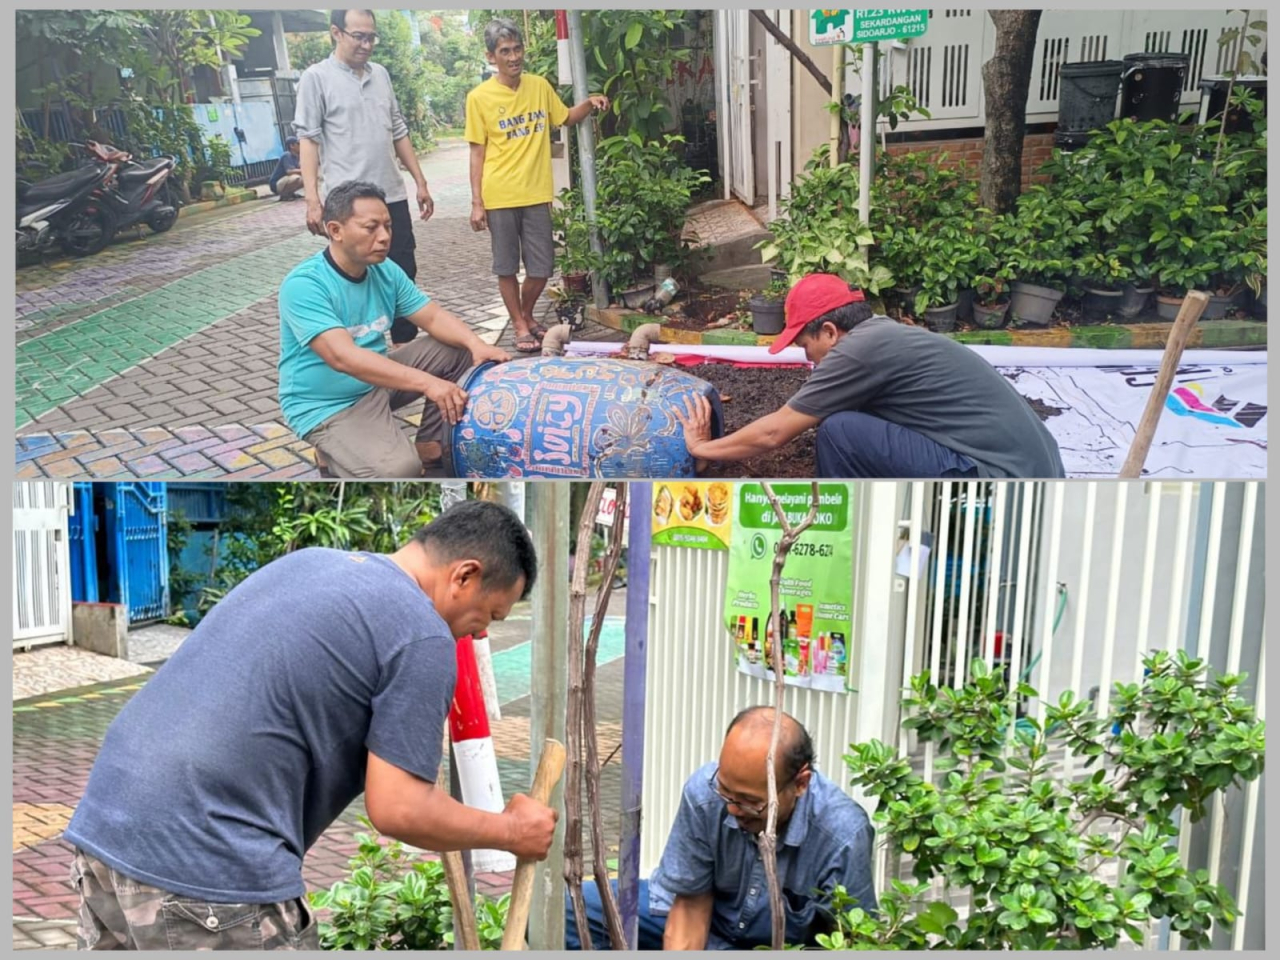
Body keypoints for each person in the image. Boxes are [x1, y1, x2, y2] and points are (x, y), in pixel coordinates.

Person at [64, 500, 557, 950]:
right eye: (490, 612)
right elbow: (400, 809)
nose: (485, 630)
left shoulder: (312, 562)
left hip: (105, 833)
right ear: (464, 575)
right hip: (206, 862)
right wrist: (509, 831)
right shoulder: (420, 633)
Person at [675, 273, 1067, 479]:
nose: (809, 360)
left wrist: (702, 448)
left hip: (1001, 481)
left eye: (804, 346)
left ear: (829, 331)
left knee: (840, 430)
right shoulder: (882, 333)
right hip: (1034, 466)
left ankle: (837, 530)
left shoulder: (858, 350)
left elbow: (773, 433)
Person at [565, 707, 876, 950]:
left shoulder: (843, 835)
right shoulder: (704, 793)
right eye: (726, 792)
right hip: (709, 923)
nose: (731, 809)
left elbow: (850, 939)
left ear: (800, 783)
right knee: (570, 909)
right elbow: (690, 902)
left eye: (750, 802)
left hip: (778, 946)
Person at [276, 180, 511, 479]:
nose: (384, 237)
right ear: (335, 230)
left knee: (459, 349)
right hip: (326, 405)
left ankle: (430, 441)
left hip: (375, 380)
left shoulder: (384, 269)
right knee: (402, 469)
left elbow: (433, 318)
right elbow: (342, 358)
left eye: (387, 225)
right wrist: (428, 383)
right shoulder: (305, 285)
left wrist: (477, 344)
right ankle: (331, 451)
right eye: (371, 227)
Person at [465, 18, 609, 353]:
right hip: (499, 194)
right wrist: (476, 201)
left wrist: (589, 103)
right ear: (491, 57)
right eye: (505, 51)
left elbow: (565, 117)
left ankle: (526, 315)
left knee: (542, 267)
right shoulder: (479, 98)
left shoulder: (539, 86)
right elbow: (477, 152)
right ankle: (520, 325)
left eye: (517, 49)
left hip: (536, 194)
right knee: (505, 266)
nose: (513, 57)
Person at [294, 9, 434, 345]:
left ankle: (405, 353)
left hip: (391, 197)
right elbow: (309, 140)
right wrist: (313, 200)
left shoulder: (381, 75)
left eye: (371, 37)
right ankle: (360, 357)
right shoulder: (316, 78)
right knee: (349, 278)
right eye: (359, 36)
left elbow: (398, 130)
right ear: (336, 33)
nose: (367, 44)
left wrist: (420, 181)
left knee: (402, 273)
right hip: (348, 204)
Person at [268, 136, 304, 201]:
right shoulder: (287, 155)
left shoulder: (296, 157)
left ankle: (290, 193)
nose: (300, 146)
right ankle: (285, 195)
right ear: (292, 146)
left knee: (307, 178)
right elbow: (289, 171)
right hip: (276, 184)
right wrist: (304, 170)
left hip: (284, 181)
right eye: (298, 144)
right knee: (296, 178)